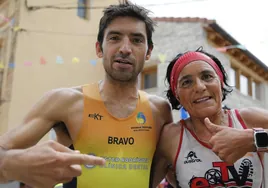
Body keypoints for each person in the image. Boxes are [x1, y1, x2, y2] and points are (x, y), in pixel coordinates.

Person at [0, 1, 173, 188]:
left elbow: (166, 169)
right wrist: (12, 164)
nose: (125, 48)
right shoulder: (64, 101)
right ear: (99, 49)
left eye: (137, 40)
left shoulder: (160, 110)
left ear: (149, 52)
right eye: (115, 38)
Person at [153, 47, 268, 187]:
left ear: (220, 82)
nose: (200, 87)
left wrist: (254, 139)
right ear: (176, 94)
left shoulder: (249, 119)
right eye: (187, 82)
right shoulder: (171, 137)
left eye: (207, 76)